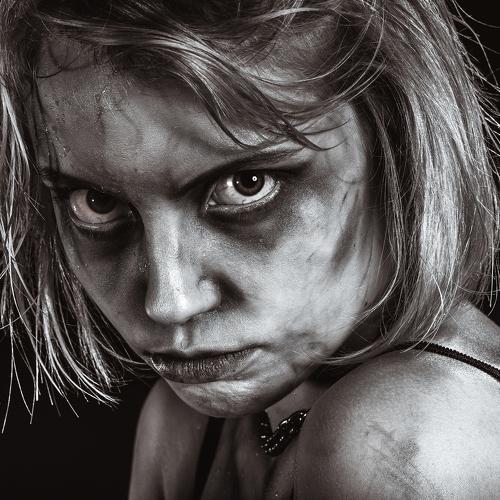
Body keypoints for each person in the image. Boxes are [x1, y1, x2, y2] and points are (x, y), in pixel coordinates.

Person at [1, 0, 499, 498]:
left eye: (247, 184)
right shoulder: (183, 424)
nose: (170, 303)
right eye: (97, 202)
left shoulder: (408, 438)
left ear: (397, 143)